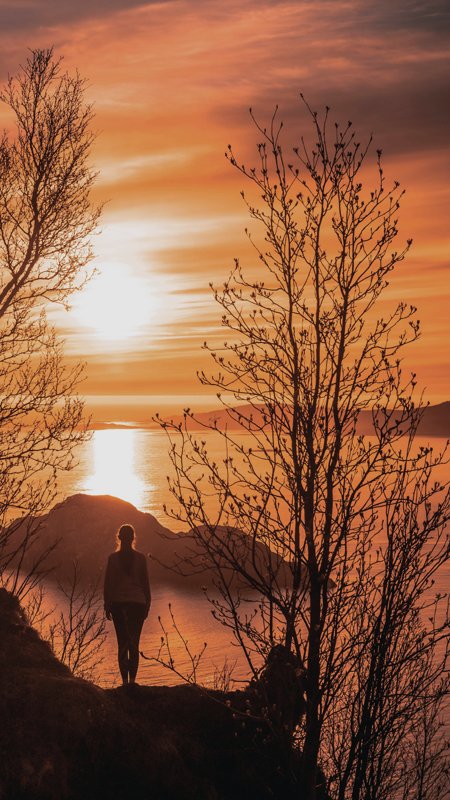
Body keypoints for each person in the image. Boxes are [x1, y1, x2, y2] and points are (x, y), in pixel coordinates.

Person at [103, 524, 151, 685]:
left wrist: (107, 604)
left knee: (122, 643)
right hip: (138, 604)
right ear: (132, 538)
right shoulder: (141, 558)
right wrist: (147, 604)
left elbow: (108, 584)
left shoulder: (112, 559)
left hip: (118, 604)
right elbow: (145, 584)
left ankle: (124, 683)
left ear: (119, 538)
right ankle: (132, 682)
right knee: (134, 644)